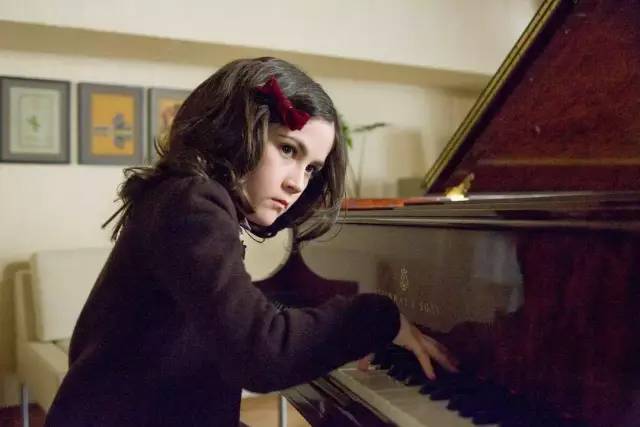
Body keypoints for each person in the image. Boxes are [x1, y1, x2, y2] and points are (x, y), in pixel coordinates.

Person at [44, 57, 457, 427]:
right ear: (235, 132)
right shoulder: (191, 203)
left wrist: (325, 331)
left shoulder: (179, 196)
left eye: (311, 168)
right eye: (287, 149)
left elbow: (218, 333)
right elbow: (261, 357)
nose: (297, 183)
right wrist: (377, 319)